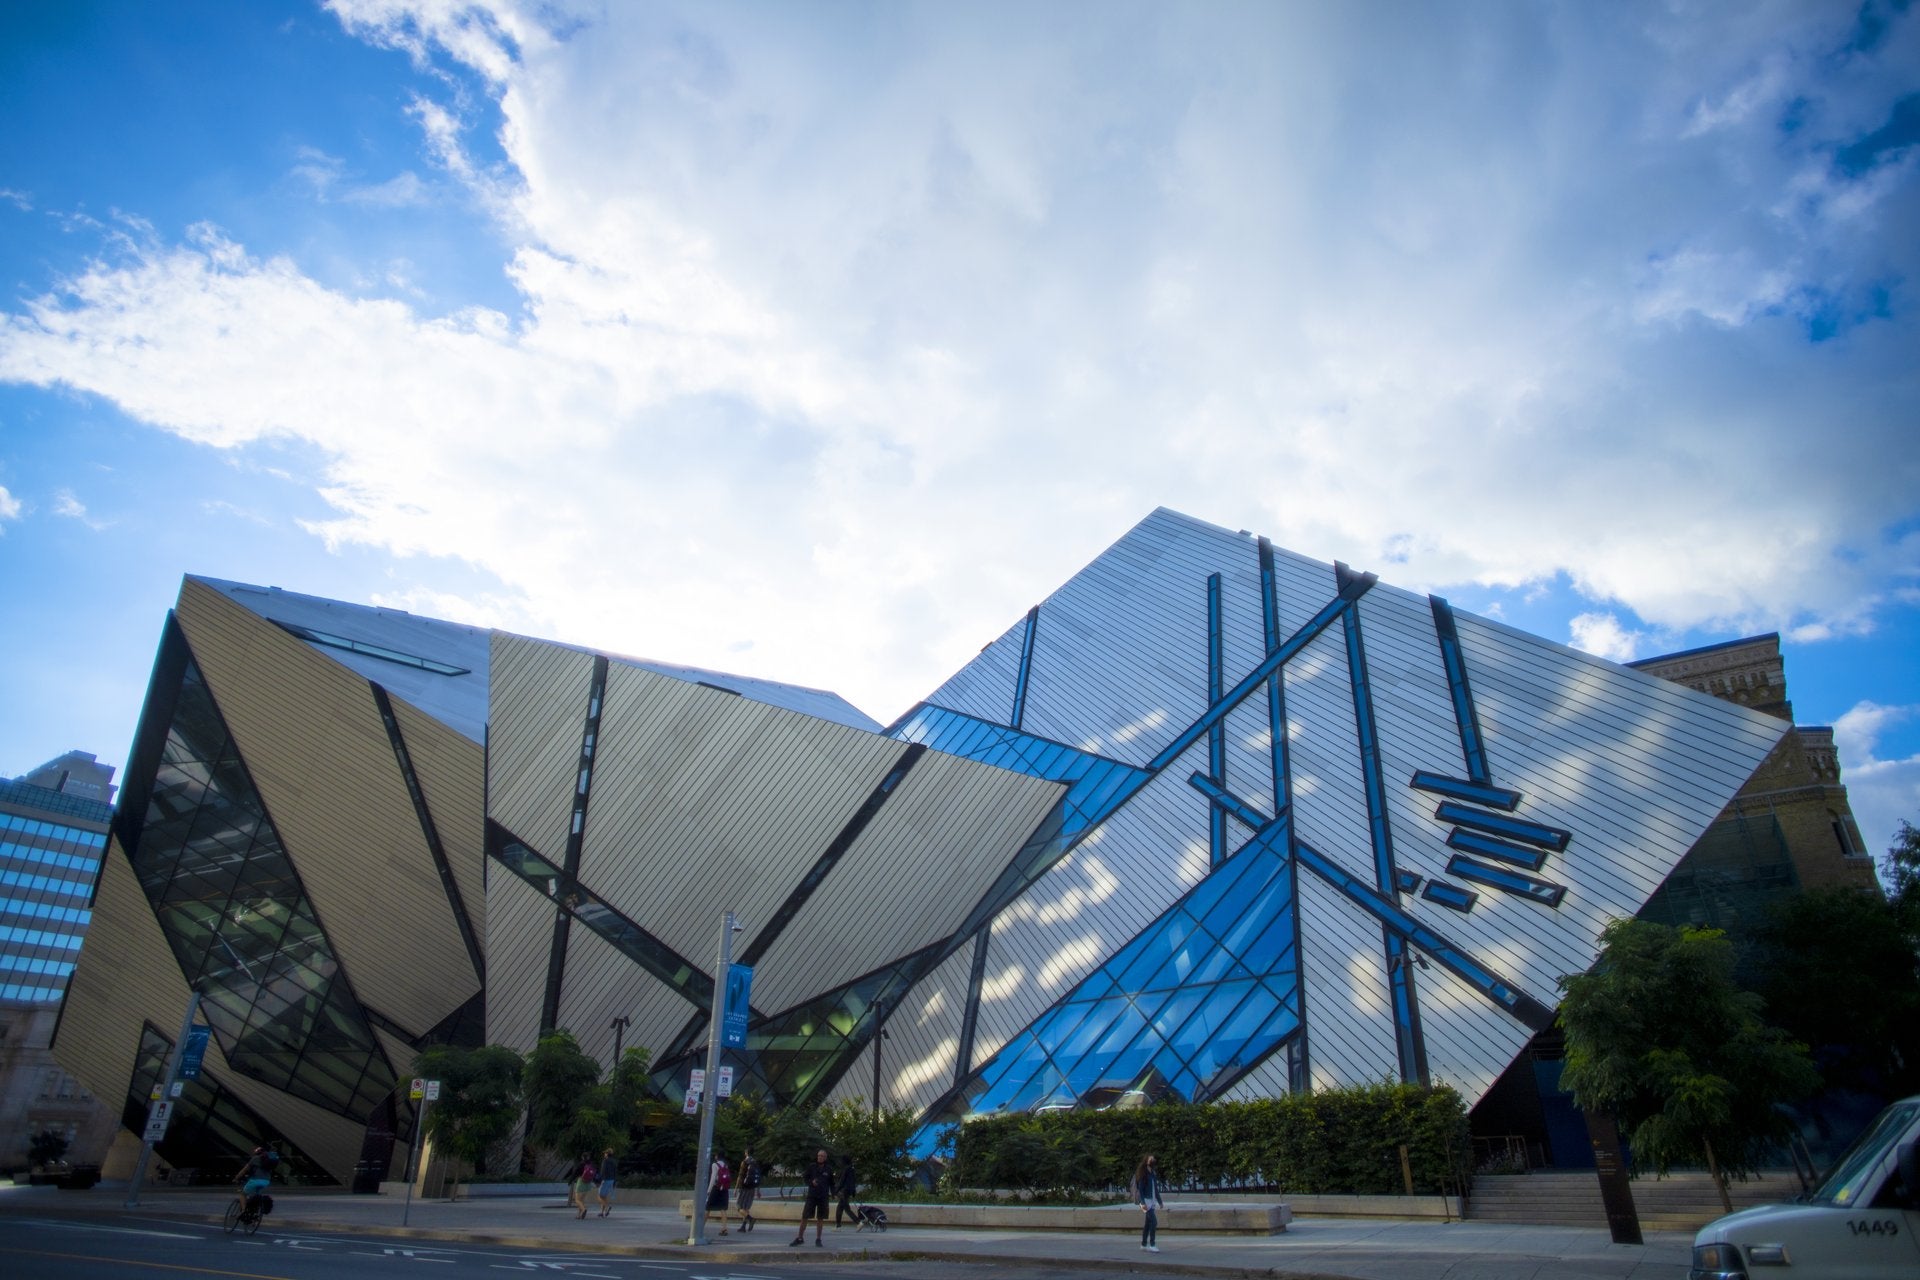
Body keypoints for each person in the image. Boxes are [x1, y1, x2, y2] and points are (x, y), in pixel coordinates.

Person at [791, 1147, 832, 1247]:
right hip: (812, 1196)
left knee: (820, 1218)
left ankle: (818, 1239)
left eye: (822, 1156)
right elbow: (805, 1178)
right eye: (818, 1156)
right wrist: (811, 1182)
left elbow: (832, 1183)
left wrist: (834, 1193)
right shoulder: (812, 1167)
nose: (820, 1157)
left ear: (825, 1157)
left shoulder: (828, 1169)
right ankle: (800, 1237)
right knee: (805, 1216)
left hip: (823, 1197)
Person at [1131, 1153, 1165, 1252]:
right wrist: (1143, 1203)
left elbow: (1155, 1189)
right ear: (1146, 1161)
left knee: (1148, 1223)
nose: (1153, 1160)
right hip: (1144, 1201)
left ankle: (1143, 1244)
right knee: (1154, 1222)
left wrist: (1160, 1201)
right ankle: (1152, 1244)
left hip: (1152, 1200)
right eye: (1151, 1159)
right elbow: (1140, 1189)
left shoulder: (1152, 1173)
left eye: (1153, 1159)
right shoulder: (1143, 1174)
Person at [234, 1145, 276, 1212]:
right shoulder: (269, 1160)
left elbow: (244, 1170)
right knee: (256, 1196)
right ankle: (254, 1211)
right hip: (266, 1181)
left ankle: (243, 1211)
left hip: (255, 1181)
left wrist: (236, 1178)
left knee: (243, 1194)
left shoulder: (255, 1158)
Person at [732, 1150, 760, 1233]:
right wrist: (758, 1190)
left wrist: (735, 1188)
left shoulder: (744, 1162)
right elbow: (757, 1177)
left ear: (746, 1153)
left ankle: (751, 1219)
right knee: (746, 1207)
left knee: (739, 1207)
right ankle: (743, 1226)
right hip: (752, 1188)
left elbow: (740, 1176)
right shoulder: (755, 1163)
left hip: (744, 1187)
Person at [707, 1153, 731, 1231]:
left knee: (708, 1208)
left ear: (717, 1157)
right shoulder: (725, 1165)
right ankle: (724, 1228)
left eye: (715, 1155)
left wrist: (709, 1190)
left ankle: (700, 1228)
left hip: (716, 1188)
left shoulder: (715, 1165)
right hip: (724, 1188)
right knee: (723, 1208)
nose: (715, 1156)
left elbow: (713, 1178)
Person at [834, 1154, 858, 1228]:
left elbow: (842, 1181)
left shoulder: (846, 1169)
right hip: (849, 1191)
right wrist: (853, 1191)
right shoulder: (852, 1169)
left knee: (846, 1209)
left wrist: (836, 1191)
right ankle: (838, 1225)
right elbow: (853, 1181)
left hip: (844, 1191)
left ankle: (858, 1222)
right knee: (840, 1208)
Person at [595, 1147, 618, 1218]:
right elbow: (615, 1172)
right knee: (604, 1196)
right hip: (612, 1180)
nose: (604, 1154)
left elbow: (603, 1171)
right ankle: (602, 1212)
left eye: (605, 1153)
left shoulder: (605, 1161)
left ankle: (607, 1208)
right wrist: (614, 1182)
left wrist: (599, 1180)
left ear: (607, 1154)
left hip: (606, 1180)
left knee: (599, 1195)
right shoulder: (614, 1161)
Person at [573, 1152, 596, 1219]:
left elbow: (576, 1172)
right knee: (581, 1200)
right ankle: (579, 1215)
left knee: (577, 1200)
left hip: (581, 1181)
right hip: (588, 1183)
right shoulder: (591, 1163)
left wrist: (571, 1180)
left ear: (583, 1157)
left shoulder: (581, 1163)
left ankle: (583, 1209)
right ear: (588, 1157)